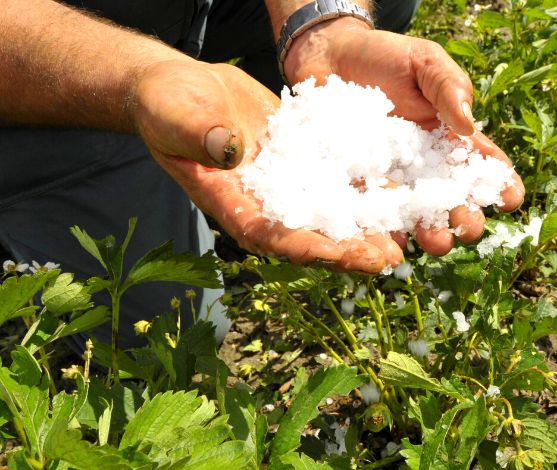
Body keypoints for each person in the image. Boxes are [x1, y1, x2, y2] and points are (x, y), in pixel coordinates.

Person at [0, 0, 525, 351]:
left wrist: (320, 26)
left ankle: (231, 80)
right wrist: (135, 78)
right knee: (174, 335)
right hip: (39, 52)